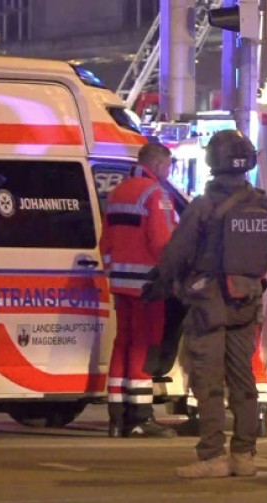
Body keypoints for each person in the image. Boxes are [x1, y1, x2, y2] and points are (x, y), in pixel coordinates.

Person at [150, 129, 267, 478]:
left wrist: (162, 280)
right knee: (244, 379)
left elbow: (178, 251)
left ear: (213, 162)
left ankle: (212, 456)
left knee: (207, 381)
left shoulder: (203, 207)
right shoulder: (263, 204)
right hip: (246, 299)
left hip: (208, 302)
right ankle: (245, 455)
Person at [100, 142, 179, 438]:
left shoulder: (118, 191)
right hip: (148, 285)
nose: (168, 173)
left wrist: (113, 273)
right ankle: (140, 416)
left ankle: (117, 416)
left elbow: (105, 242)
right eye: (168, 167)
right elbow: (162, 243)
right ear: (158, 165)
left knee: (123, 344)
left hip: (121, 284)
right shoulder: (155, 194)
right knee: (144, 347)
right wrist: (172, 275)